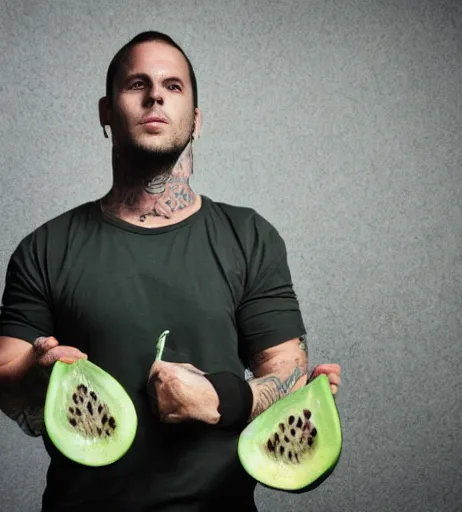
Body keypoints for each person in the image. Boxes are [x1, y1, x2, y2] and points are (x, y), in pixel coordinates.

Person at [0, 31, 341, 511]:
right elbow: (5, 376)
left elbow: (287, 373)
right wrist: (37, 374)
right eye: (136, 83)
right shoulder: (44, 248)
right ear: (105, 113)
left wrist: (218, 400)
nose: (155, 94)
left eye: (173, 86)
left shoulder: (250, 237)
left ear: (196, 120)